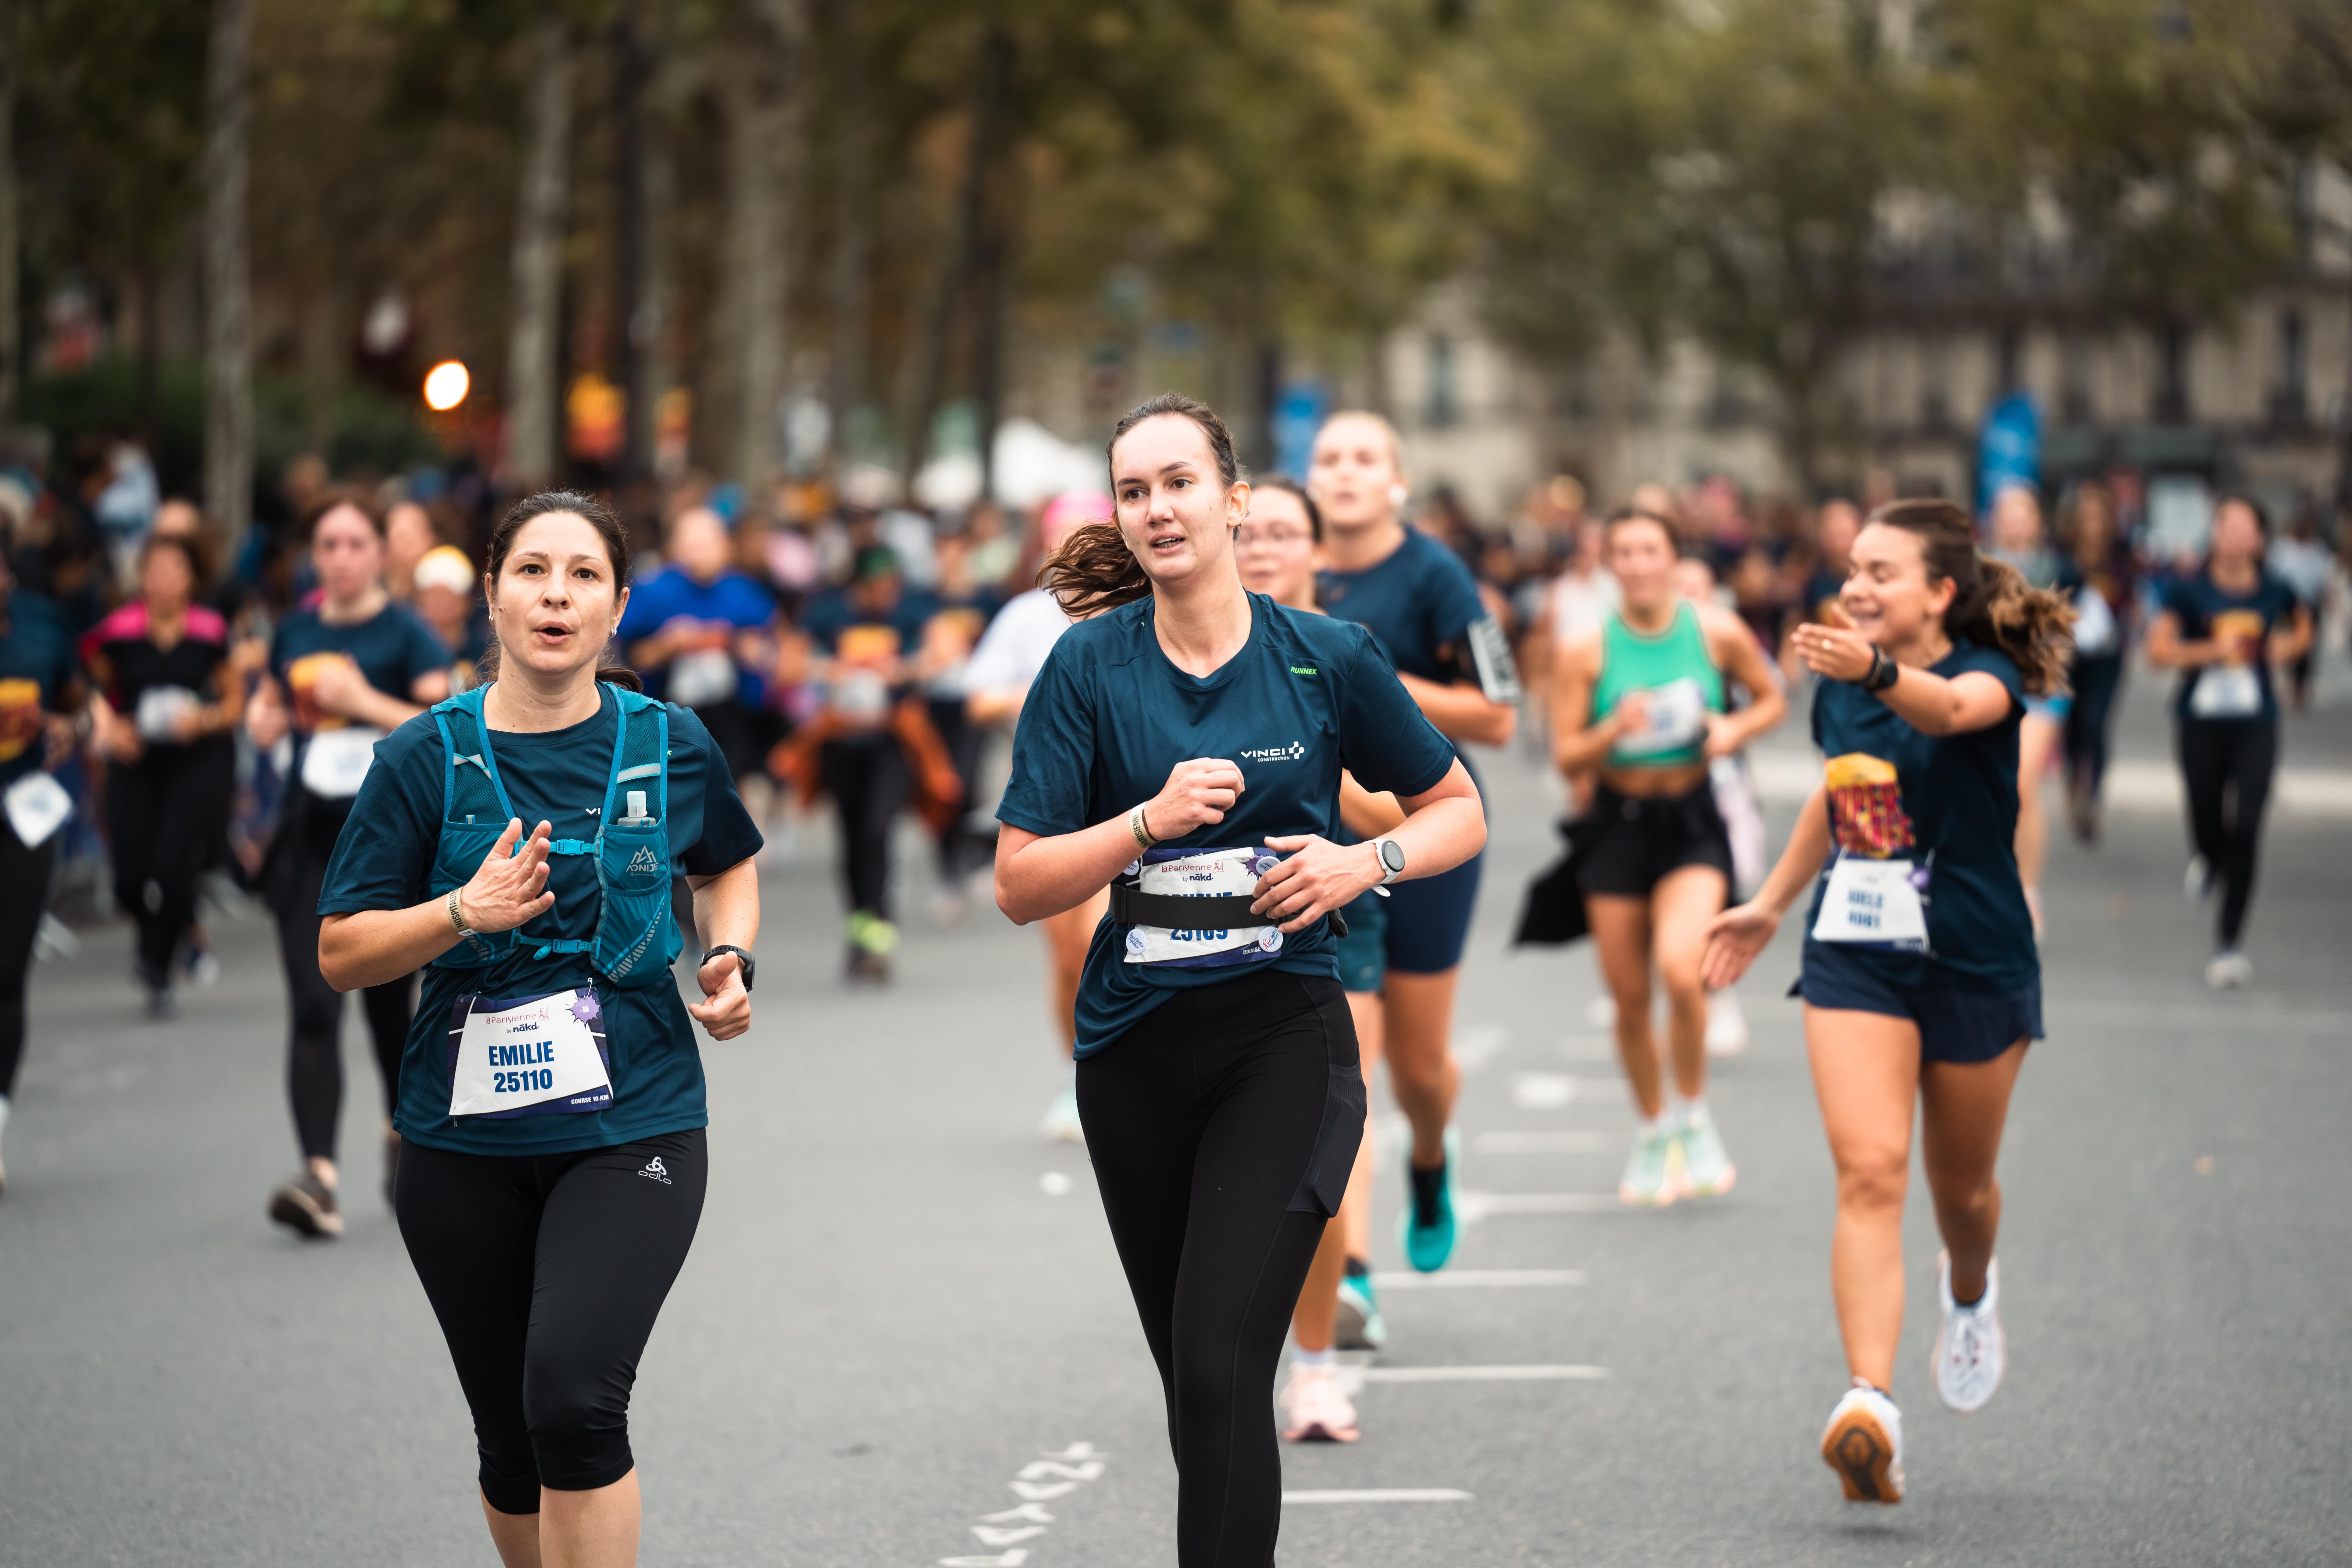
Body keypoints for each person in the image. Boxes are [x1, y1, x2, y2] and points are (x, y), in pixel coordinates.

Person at [996, 394, 1483, 1566]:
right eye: (1132, 491)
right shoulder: (1087, 667)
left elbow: (1457, 807)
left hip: (1284, 1039)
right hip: (1133, 1056)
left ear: (1232, 500)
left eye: (1176, 483)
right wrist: (1141, 825)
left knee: (1219, 1358)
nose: (1156, 508)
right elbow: (1018, 882)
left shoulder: (1324, 655)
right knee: (1196, 1382)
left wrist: (1360, 860)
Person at [316, 490, 761, 1568]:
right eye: (532, 571)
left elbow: (727, 864)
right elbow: (341, 950)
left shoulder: (672, 742)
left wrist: (728, 953)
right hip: (458, 1140)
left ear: (615, 607)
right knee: (511, 1440)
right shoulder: (422, 755)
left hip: (635, 1120)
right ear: (491, 593)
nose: (555, 594)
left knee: (571, 1397)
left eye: (583, 576)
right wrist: (460, 910)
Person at [1704, 498, 2073, 1505]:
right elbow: (1839, 794)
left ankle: (1969, 1291)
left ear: (1940, 592)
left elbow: (1948, 715)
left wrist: (1867, 670)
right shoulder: (1844, 687)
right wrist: (1769, 906)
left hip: (1973, 959)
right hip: (1857, 950)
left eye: (1881, 572)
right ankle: (1869, 1404)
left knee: (1960, 1195)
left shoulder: (1982, 676)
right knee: (1868, 1171)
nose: (1855, 585)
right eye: (1851, 568)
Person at [1310, 409, 1516, 1274]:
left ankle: (1431, 1155)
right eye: (1329, 458)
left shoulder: (1438, 575)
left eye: (1365, 458)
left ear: (1397, 479)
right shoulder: (1289, 569)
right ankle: (1351, 1267)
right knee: (1346, 1060)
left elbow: (1500, 713)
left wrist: (1376, 684)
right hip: (1327, 829)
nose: (1346, 472)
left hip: (1428, 820)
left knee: (1418, 1064)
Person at [1231, 474, 1412, 1444]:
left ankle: (1318, 1355)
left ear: (1317, 552)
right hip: (1210, 930)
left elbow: (1415, 809)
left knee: (1325, 1140)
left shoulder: (1340, 659)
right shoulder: (1186, 656)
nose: (1262, 549)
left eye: (1282, 534)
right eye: (1249, 533)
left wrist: (1318, 779)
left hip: (1337, 915)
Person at [1550, 509, 1785, 1204]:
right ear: (1610, 564)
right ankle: (1653, 1131)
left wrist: (1732, 728)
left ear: (1673, 558)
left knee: (1685, 971)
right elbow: (1567, 752)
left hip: (1691, 819)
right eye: (1622, 551)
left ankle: (1694, 1116)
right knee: (1629, 998)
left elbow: (1772, 697)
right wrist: (1610, 731)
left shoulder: (1714, 630)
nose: (1637, 562)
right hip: (1617, 824)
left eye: (1649, 549)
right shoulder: (1586, 648)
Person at [251, 490, 453, 1236]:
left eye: (354, 544)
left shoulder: (408, 632)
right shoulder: (295, 629)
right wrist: (266, 715)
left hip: (389, 847)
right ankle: (318, 1176)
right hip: (308, 837)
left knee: (387, 1011)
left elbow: (441, 730)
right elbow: (274, 705)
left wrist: (362, 697)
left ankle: (402, 1134)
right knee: (312, 1003)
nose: (339, 558)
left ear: (380, 552)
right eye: (327, 545)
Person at [963, 490, 1111, 1141]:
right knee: (1068, 953)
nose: (1078, 548)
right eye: (1066, 536)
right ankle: (1079, 1074)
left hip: (1122, 797)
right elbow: (976, 698)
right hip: (1049, 799)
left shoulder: (1142, 607)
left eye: (1092, 534)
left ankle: (1124, 1072)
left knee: (1106, 933)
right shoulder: (1026, 617)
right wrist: (1036, 695)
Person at [2144, 495, 2314, 989]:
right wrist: (2210, 651)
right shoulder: (2187, 588)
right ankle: (2210, 859)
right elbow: (2158, 652)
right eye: (2227, 525)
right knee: (2206, 818)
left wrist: (2287, 646)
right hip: (2200, 719)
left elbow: (2305, 625)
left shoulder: (2276, 589)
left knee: (2248, 822)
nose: (2235, 535)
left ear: (2260, 538)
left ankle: (2228, 944)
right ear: (2214, 532)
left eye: (2245, 527)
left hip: (2256, 719)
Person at [80, 532, 243, 1015]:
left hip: (194, 761)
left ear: (192, 578)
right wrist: (110, 727)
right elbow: (86, 687)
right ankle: (154, 935)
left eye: (175, 569)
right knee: (129, 876)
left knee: (174, 863)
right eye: (155, 569)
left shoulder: (210, 631)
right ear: (141, 577)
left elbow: (234, 700)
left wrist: (206, 720)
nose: (164, 579)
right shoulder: (118, 631)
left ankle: (160, 967)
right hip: (136, 760)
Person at [784, 546, 956, 981]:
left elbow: (947, 653)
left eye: (891, 587)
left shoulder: (913, 610)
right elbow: (789, 664)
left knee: (879, 830)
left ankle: (880, 928)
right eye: (877, 588)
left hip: (892, 739)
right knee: (852, 838)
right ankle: (859, 928)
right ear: (857, 587)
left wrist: (905, 668)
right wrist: (831, 670)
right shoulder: (827, 612)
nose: (886, 596)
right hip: (841, 739)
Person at [0, 551, 81, 1197]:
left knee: (7, 969)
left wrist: (62, 726)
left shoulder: (40, 635)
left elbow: (83, 711)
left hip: (22, 814)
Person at [619, 505, 780, 789]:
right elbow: (631, 657)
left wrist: (738, 645)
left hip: (734, 716)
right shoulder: (654, 590)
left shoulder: (745, 590)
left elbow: (773, 650)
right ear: (675, 547)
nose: (700, 553)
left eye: (708, 544)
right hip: (666, 717)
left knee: (727, 789)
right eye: (692, 544)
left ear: (726, 546)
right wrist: (669, 644)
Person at [1984, 483, 2079, 933]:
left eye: (2023, 512)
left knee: (2022, 782)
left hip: (2039, 689)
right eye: (2007, 513)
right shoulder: (1975, 569)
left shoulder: (2056, 569)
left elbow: (2073, 631)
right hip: (1985, 683)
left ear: (2037, 520)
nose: (2015, 521)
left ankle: (2027, 889)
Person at [2057, 483, 2133, 842]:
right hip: (2069, 652)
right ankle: (2074, 780)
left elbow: (2132, 600)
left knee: (2096, 721)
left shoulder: (2121, 559)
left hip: (2108, 652)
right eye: (2085, 518)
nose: (2092, 525)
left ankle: (2094, 795)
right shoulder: (2061, 555)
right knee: (2072, 723)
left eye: (2098, 517)